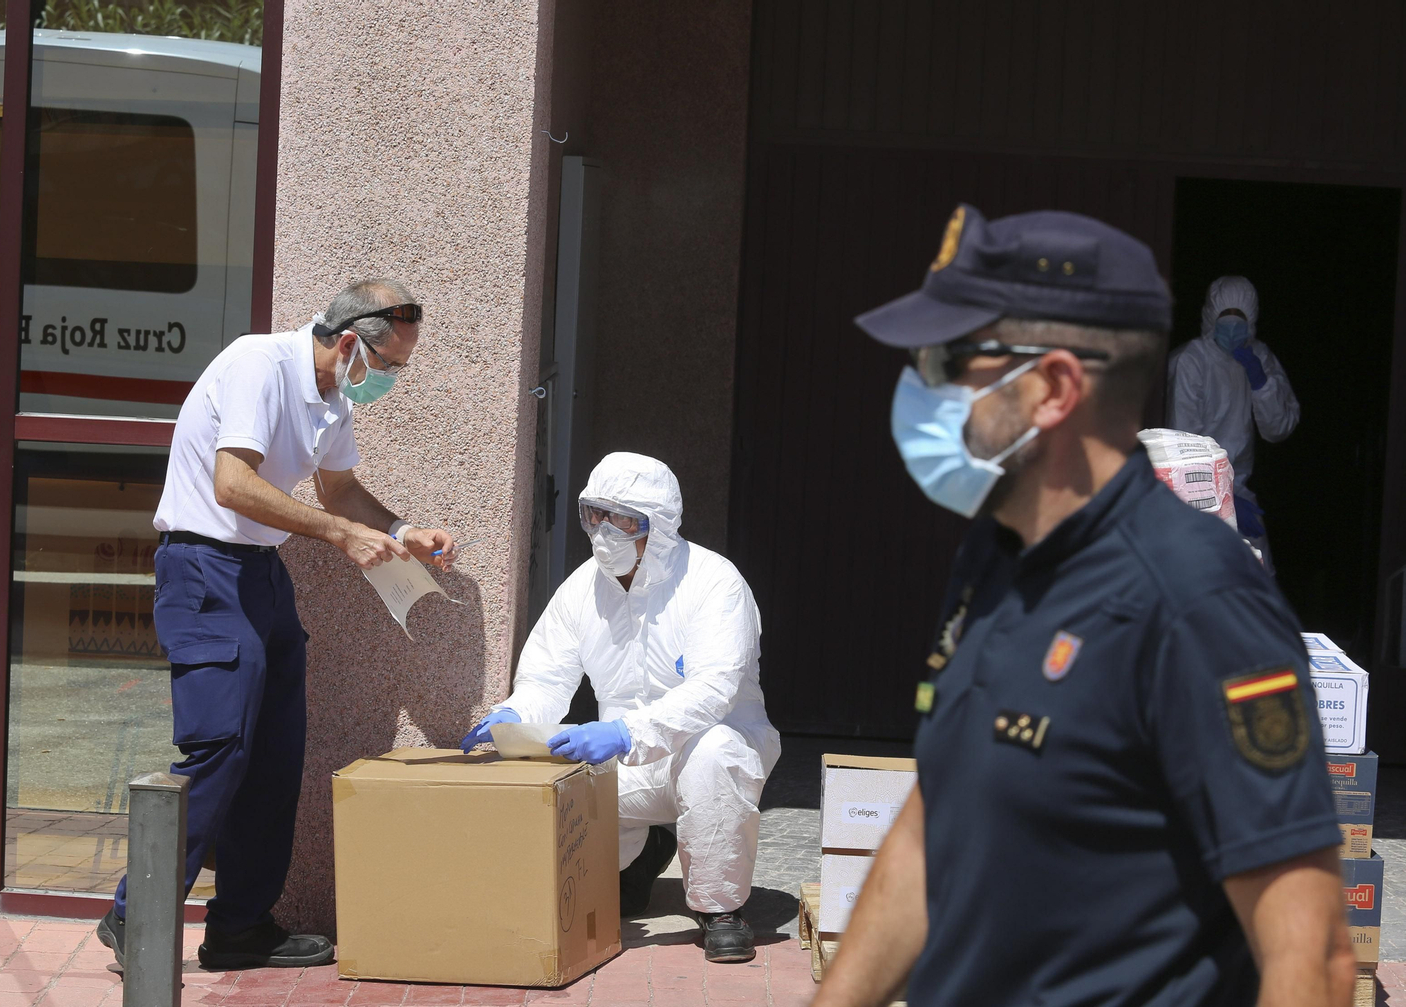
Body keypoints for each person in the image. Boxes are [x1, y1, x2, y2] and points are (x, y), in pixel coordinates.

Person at [815, 206, 1351, 1007]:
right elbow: (935, 822)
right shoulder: (994, 553)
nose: (923, 384)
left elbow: (1312, 963)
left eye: (950, 358)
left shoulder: (1199, 604)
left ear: (1055, 387)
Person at [97, 279, 461, 971]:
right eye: (389, 368)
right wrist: (339, 535)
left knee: (273, 757)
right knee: (218, 749)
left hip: (261, 577)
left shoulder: (331, 397)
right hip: (202, 568)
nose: (389, 382)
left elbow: (341, 489)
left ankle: (239, 926)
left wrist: (402, 530)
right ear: (351, 343)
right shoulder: (256, 365)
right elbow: (231, 484)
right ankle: (132, 913)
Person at [461, 452, 780, 964]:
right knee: (553, 777)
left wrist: (626, 733)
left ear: (663, 525)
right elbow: (546, 676)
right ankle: (643, 855)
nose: (606, 532)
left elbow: (714, 690)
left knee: (715, 751)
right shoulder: (580, 590)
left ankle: (721, 909)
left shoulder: (714, 583)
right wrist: (515, 716)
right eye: (595, 514)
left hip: (707, 752)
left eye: (624, 519)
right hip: (625, 757)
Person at [1166, 276, 1299, 563]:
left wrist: (1262, 384)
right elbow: (1183, 446)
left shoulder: (1258, 358)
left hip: (1237, 493)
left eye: (1240, 318)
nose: (1233, 326)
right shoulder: (1192, 361)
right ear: (1210, 316)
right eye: (1225, 317)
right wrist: (1221, 501)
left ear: (1251, 321)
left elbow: (1279, 427)